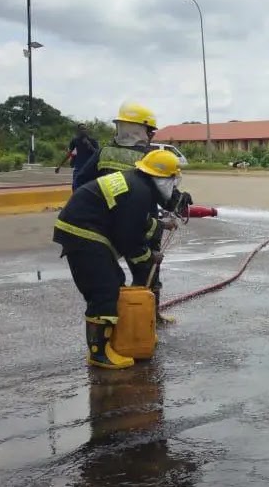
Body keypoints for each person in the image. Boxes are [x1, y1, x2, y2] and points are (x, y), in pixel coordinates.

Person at [52, 150, 183, 369]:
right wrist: (150, 257)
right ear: (161, 178)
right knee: (104, 289)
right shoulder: (139, 191)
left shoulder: (137, 183)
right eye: (172, 180)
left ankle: (117, 340)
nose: (174, 185)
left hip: (84, 228)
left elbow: (133, 219)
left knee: (115, 280)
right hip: (83, 232)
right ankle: (98, 353)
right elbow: (129, 238)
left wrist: (160, 226)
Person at [76, 101, 192, 324]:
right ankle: (147, 319)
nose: (151, 135)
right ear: (140, 130)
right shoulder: (148, 156)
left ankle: (122, 317)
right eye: (150, 131)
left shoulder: (104, 152)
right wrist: (180, 200)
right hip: (142, 224)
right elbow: (163, 192)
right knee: (147, 270)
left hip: (105, 225)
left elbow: (81, 182)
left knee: (110, 277)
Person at [55, 124, 100, 190]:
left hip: (89, 168)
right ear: (78, 131)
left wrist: (89, 145)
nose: (83, 130)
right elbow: (69, 153)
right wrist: (60, 165)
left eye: (84, 129)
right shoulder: (75, 140)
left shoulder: (93, 141)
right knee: (75, 186)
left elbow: (97, 153)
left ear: (87, 130)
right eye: (81, 129)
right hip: (78, 167)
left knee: (88, 187)